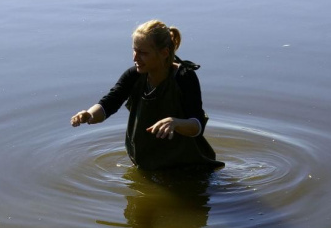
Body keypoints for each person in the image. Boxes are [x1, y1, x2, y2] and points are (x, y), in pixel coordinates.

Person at [70, 20, 224, 170]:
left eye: (143, 53)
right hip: (148, 165)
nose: (135, 58)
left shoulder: (184, 77)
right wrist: (89, 115)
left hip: (188, 166)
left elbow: (197, 126)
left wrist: (175, 122)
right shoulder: (134, 75)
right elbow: (109, 103)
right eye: (134, 50)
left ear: (164, 53)